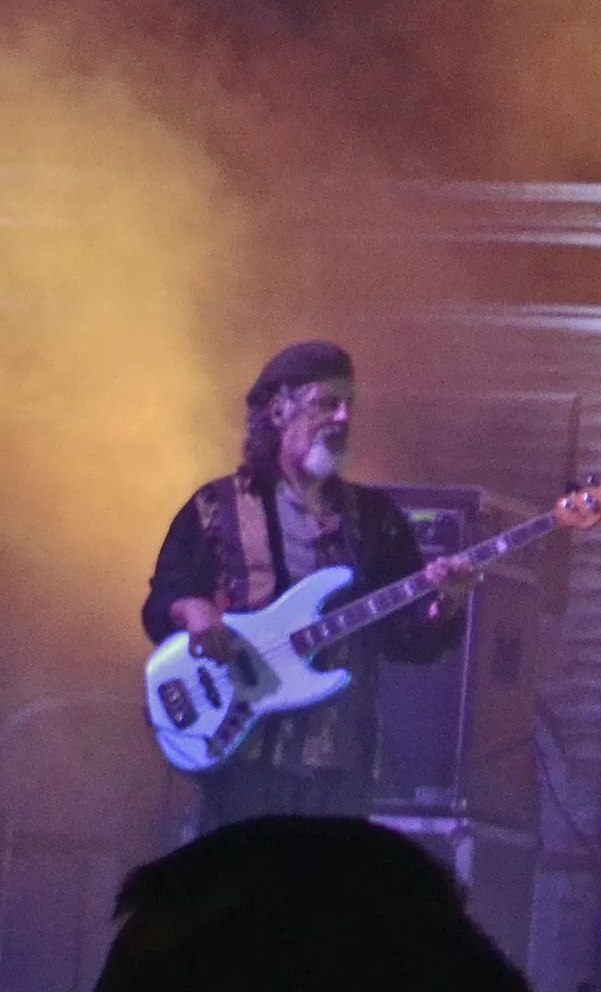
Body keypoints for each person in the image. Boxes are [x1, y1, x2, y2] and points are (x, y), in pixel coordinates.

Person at [144, 340, 456, 829]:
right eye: (326, 403)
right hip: (243, 756)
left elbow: (407, 641)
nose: (343, 417)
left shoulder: (376, 520)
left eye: (349, 405)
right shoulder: (216, 507)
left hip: (339, 765)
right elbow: (163, 597)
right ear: (278, 411)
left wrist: (445, 604)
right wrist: (191, 608)